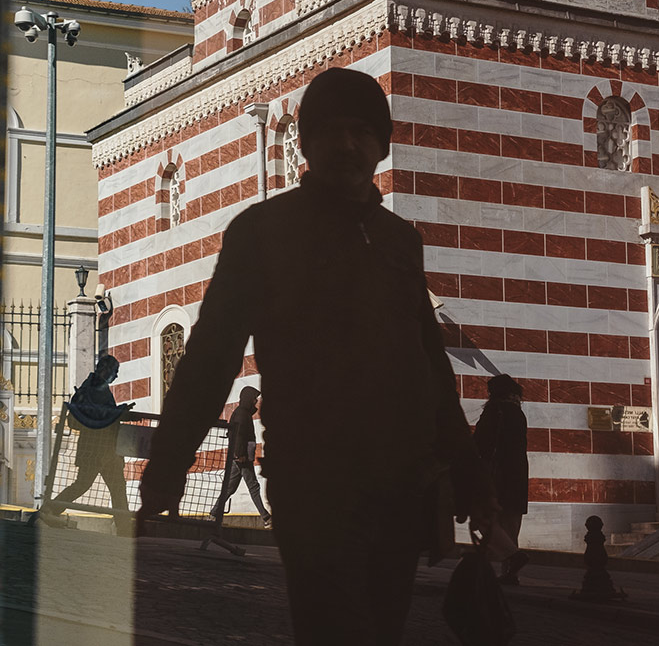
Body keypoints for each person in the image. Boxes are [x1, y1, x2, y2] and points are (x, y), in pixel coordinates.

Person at [138, 67, 497, 646]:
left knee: (381, 629)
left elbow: (431, 368)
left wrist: (475, 486)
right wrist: (169, 464)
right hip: (315, 483)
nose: (347, 145)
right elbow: (211, 352)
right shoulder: (263, 232)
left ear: (382, 144)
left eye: (361, 131)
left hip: (400, 485)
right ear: (303, 142)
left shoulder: (400, 240)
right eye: (331, 130)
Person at [45, 353, 134, 535]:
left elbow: (101, 414)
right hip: (97, 449)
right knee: (86, 484)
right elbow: (99, 415)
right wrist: (119, 412)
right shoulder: (95, 389)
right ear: (105, 369)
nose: (116, 376)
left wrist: (119, 412)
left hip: (104, 449)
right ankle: (48, 510)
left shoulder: (93, 388)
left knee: (114, 487)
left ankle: (124, 527)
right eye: (115, 371)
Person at [473, 374, 530, 584]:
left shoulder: (494, 410)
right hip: (519, 473)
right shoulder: (518, 412)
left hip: (497, 473)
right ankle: (510, 574)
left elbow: (481, 442)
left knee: (483, 517)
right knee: (510, 525)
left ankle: (513, 557)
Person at [210, 385, 272, 528]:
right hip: (242, 458)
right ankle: (266, 518)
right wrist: (240, 455)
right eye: (254, 399)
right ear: (248, 399)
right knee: (253, 486)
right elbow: (238, 436)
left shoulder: (241, 413)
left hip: (239, 457)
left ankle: (214, 513)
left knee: (230, 487)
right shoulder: (242, 414)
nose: (256, 402)